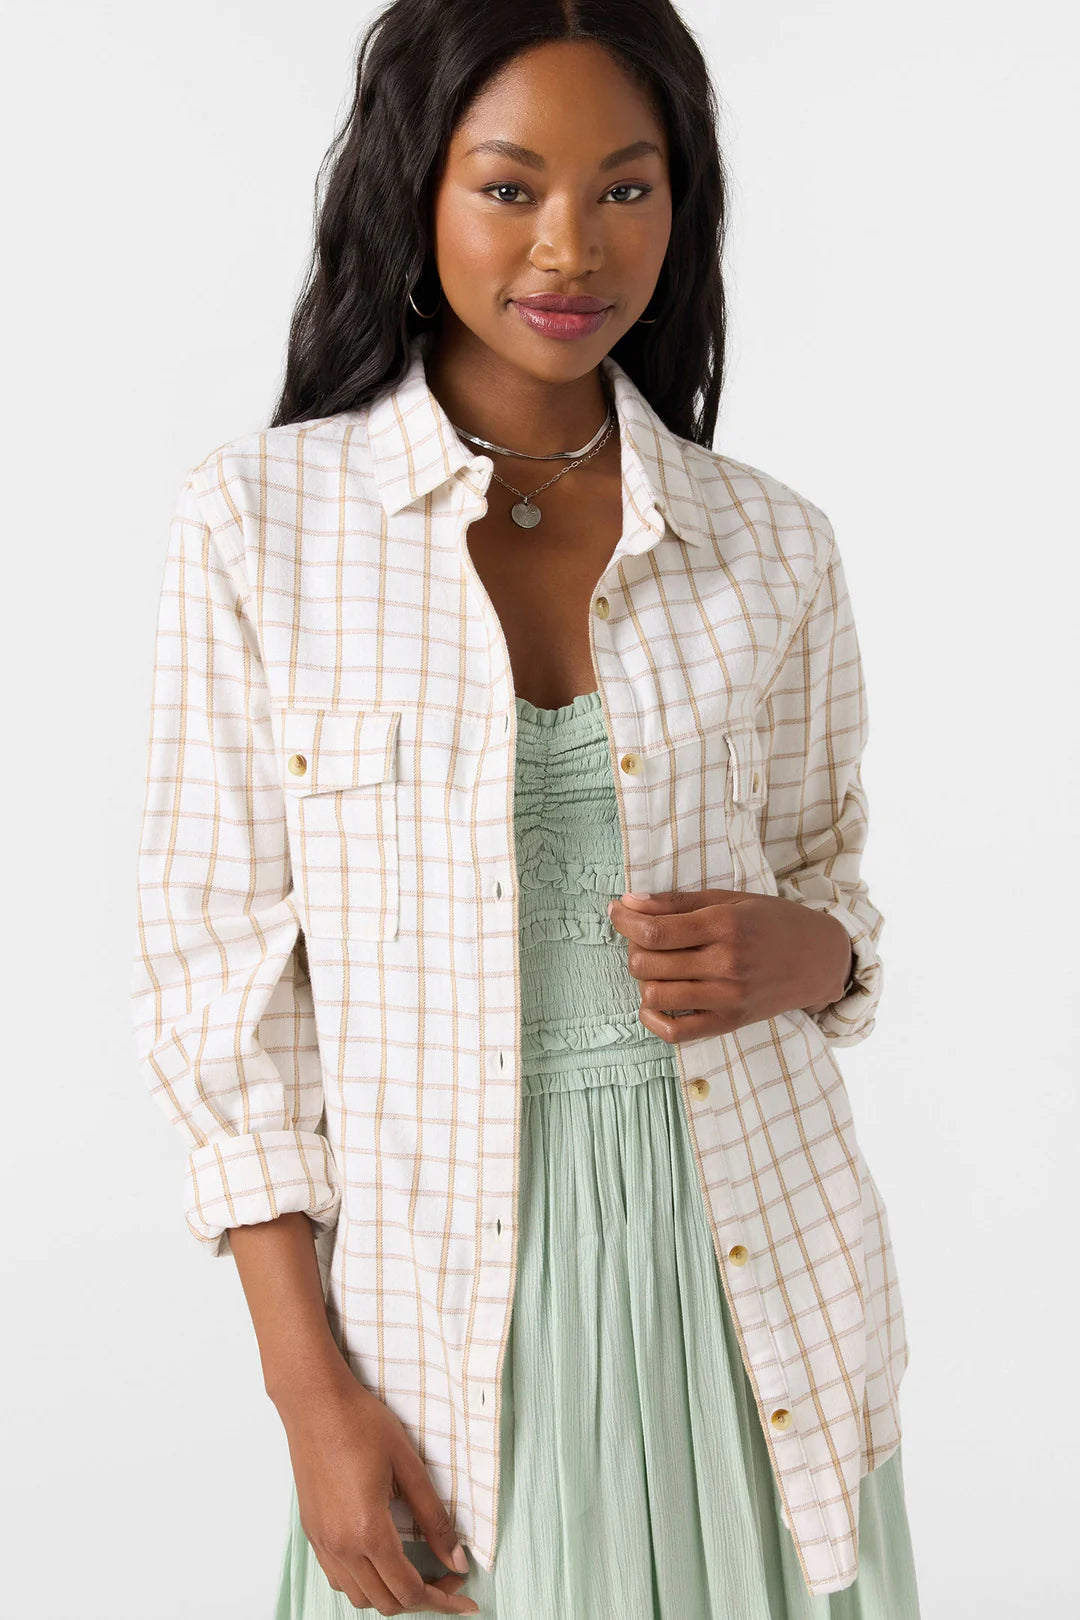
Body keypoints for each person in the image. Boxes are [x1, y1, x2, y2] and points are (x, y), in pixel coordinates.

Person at [130, 1, 922, 1615]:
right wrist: (309, 1395)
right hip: (440, 1316)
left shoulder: (773, 544)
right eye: (511, 187)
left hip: (752, 1288)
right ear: (418, 192)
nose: (572, 247)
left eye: (627, 188)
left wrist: (820, 955)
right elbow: (220, 999)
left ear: (681, 205)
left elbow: (832, 891)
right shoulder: (263, 527)